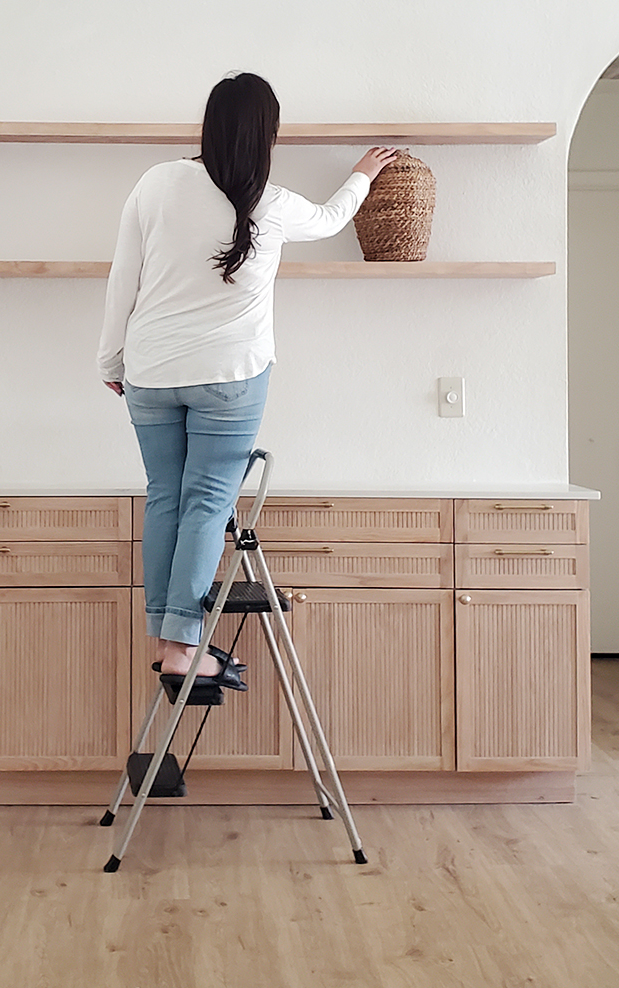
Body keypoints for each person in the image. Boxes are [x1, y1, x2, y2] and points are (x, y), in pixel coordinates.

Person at [97, 72, 396, 683]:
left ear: (208, 125)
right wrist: (363, 173)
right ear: (268, 135)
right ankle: (183, 649)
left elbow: (122, 275)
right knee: (207, 502)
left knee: (165, 498)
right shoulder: (274, 203)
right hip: (230, 375)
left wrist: (110, 359)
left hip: (150, 372)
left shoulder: (156, 183)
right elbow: (332, 219)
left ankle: (167, 640)